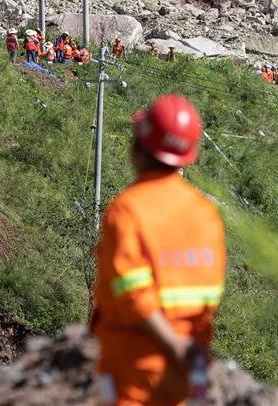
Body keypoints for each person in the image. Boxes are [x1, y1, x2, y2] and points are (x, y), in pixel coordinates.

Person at [92, 95, 226, 406]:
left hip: (132, 374)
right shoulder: (206, 213)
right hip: (184, 375)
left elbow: (133, 295)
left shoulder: (128, 210)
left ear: (138, 147)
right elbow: (210, 295)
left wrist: (172, 344)